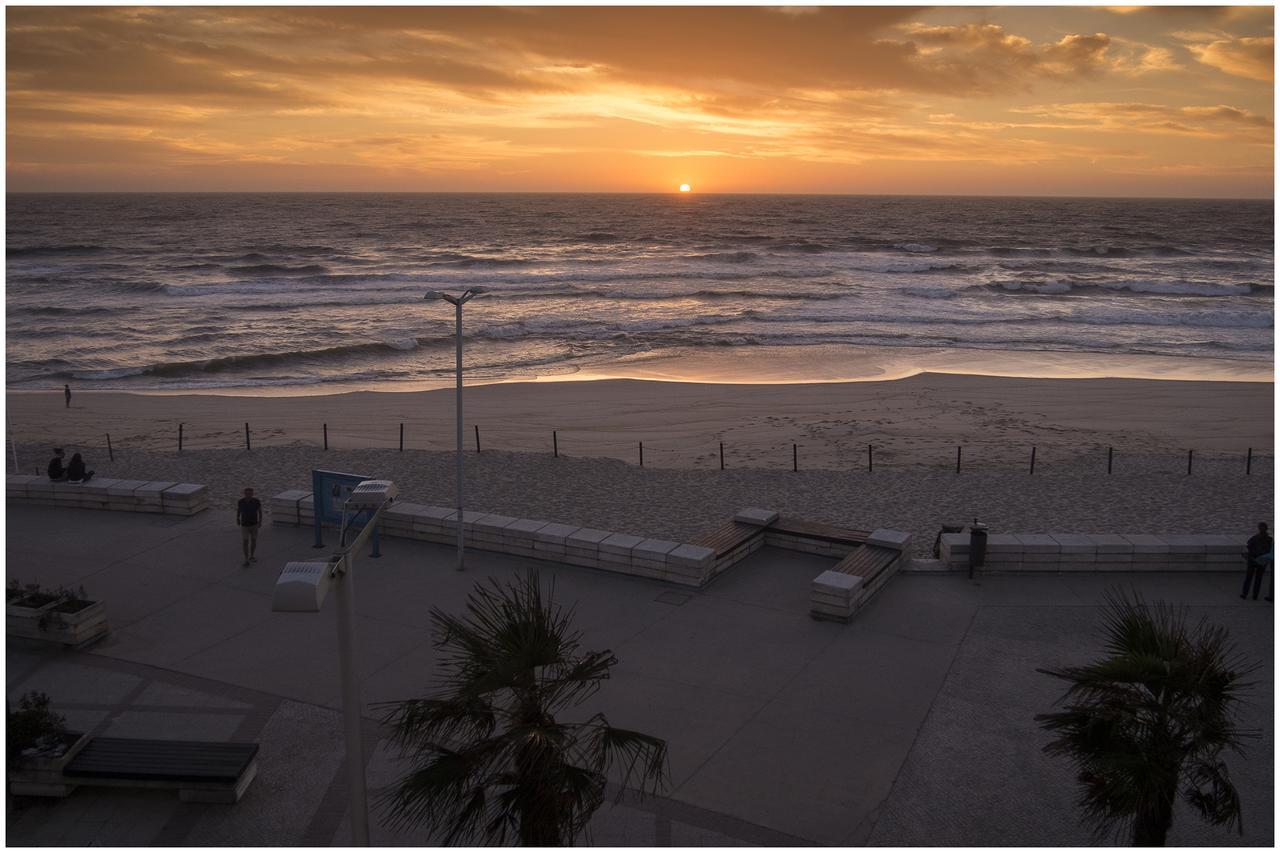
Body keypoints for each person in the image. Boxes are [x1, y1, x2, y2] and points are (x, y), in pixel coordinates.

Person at [1241, 521, 1271, 601]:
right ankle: (1255, 595)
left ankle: (1245, 594)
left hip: (1253, 560)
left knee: (1249, 578)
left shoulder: (1255, 538)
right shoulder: (1269, 540)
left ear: (1259, 529)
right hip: (1262, 561)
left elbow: (1248, 546)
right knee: (1258, 579)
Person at [237, 487, 262, 567]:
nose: (248, 495)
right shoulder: (240, 502)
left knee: (253, 541)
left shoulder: (256, 501)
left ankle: (252, 556)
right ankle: (246, 558)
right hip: (244, 525)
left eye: (250, 493)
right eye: (247, 493)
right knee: (245, 541)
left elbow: (260, 511)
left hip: (254, 524)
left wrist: (260, 522)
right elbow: (239, 510)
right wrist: (237, 518)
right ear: (244, 493)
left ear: (252, 494)